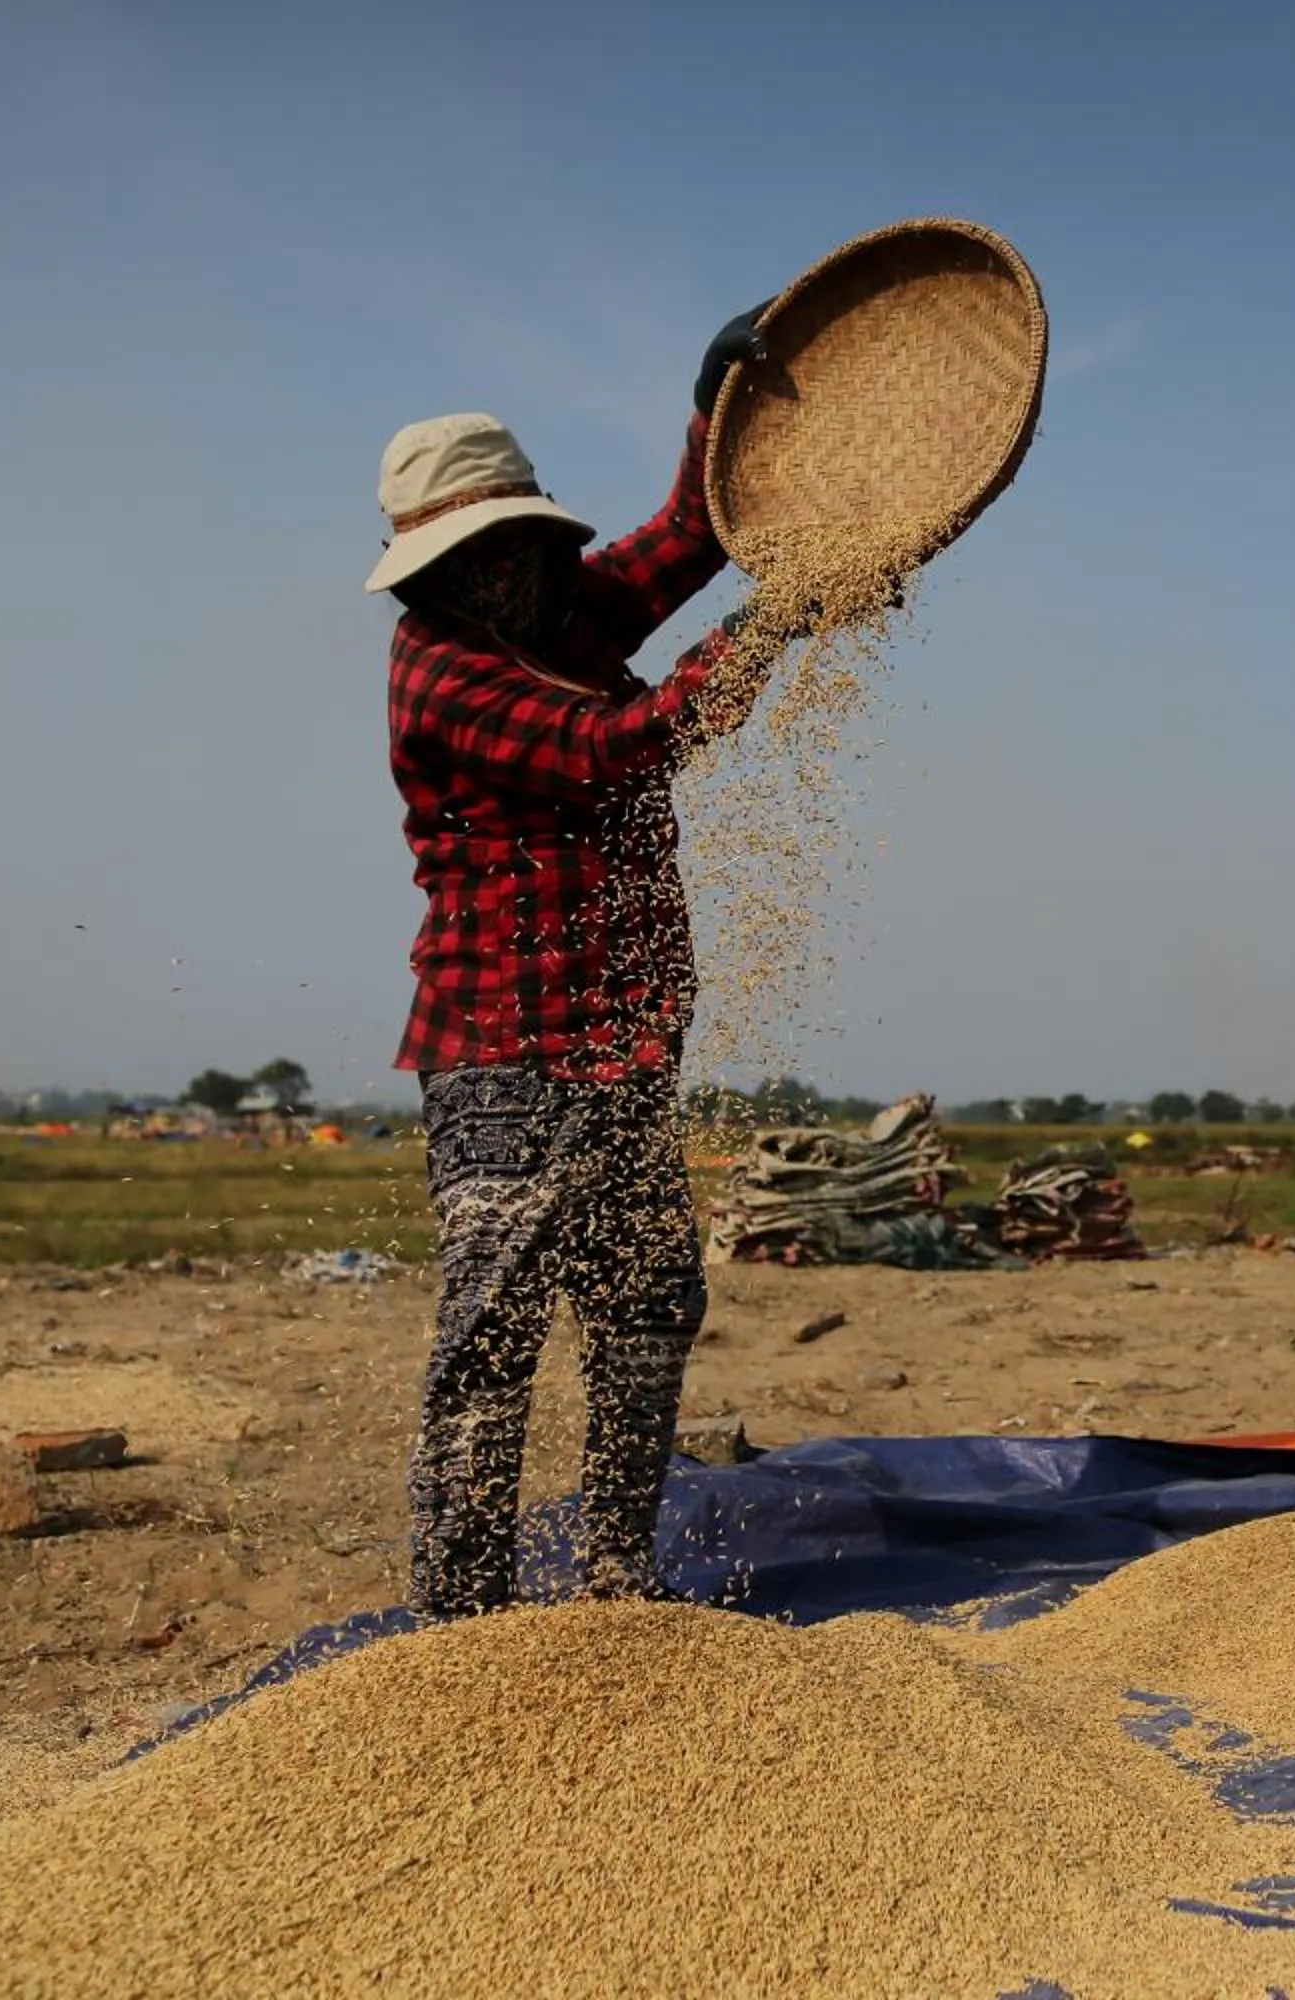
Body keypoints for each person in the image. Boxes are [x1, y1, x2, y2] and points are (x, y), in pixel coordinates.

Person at [369, 308, 790, 1620]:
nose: (506, 575)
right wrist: (779, 628)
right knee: (492, 1335)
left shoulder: (551, 611)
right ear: (440, 572)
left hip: (617, 1039)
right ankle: (463, 1624)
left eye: (512, 549)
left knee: (650, 1307)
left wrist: (715, 402)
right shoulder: (440, 672)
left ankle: (617, 1574)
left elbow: (690, 535)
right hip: (499, 1045)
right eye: (477, 558)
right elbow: (628, 742)